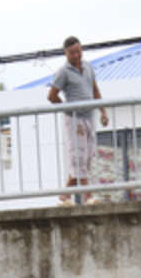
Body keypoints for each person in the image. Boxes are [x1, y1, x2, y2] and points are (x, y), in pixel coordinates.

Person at [46, 36, 109, 204]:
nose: (76, 55)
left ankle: (66, 193)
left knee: (87, 156)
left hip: (89, 117)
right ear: (65, 53)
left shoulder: (88, 67)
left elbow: (95, 90)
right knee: (78, 156)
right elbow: (52, 96)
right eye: (72, 53)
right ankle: (87, 195)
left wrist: (103, 111)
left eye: (78, 51)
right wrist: (68, 110)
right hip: (74, 119)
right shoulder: (63, 72)